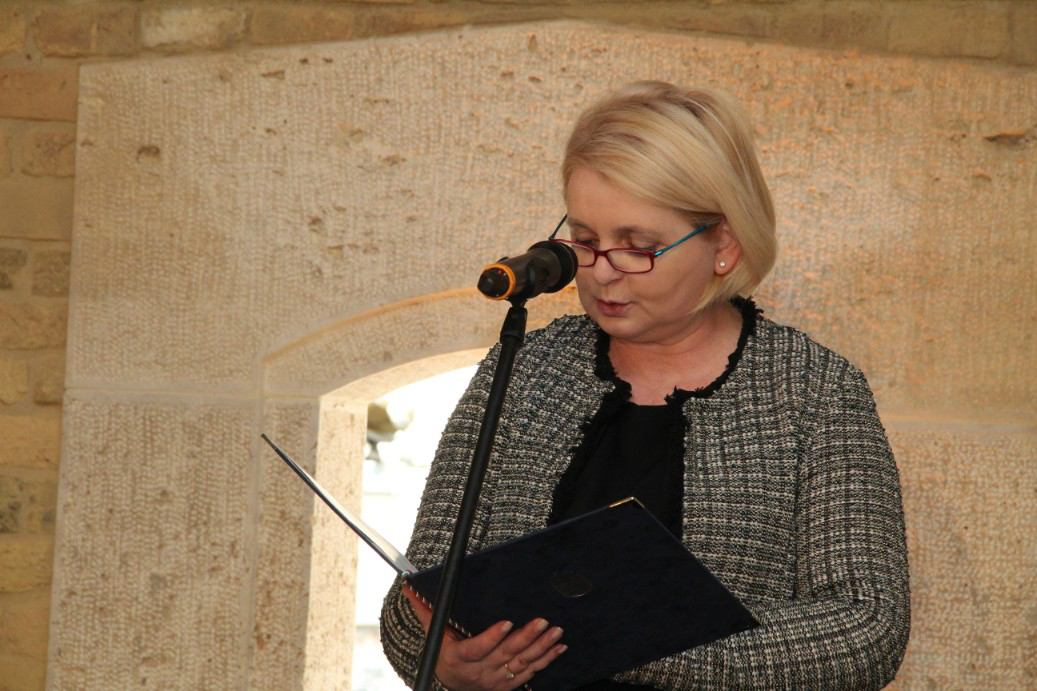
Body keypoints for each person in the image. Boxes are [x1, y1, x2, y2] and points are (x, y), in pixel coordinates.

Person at [380, 81, 910, 690]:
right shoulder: (526, 367)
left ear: (724, 244)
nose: (602, 273)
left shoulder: (814, 391)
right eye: (586, 241)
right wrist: (443, 661)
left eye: (638, 248)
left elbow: (866, 628)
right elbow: (417, 594)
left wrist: (624, 637)